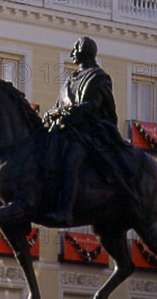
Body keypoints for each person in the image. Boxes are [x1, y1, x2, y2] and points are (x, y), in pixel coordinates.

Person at [44, 36, 129, 225]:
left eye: (75, 49)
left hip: (89, 133)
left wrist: (70, 111)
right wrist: (52, 112)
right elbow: (59, 104)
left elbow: (93, 106)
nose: (72, 53)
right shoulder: (71, 80)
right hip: (66, 130)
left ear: (85, 52)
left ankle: (65, 210)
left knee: (71, 160)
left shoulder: (98, 77)